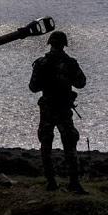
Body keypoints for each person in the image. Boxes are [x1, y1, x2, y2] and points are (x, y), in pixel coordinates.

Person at [29, 30, 88, 193]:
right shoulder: (70, 63)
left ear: (50, 43)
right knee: (70, 144)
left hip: (47, 109)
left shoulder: (41, 63)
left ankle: (51, 182)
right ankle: (74, 182)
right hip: (63, 109)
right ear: (64, 44)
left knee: (46, 145)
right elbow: (81, 83)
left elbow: (33, 87)